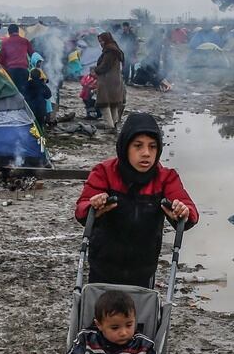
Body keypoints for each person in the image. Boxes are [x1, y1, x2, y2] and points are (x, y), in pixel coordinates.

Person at [74, 113, 198, 288]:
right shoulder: (104, 172)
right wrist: (93, 206)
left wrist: (183, 212)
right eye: (138, 146)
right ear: (125, 147)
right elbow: (82, 208)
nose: (146, 153)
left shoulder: (165, 178)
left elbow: (190, 212)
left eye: (152, 147)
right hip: (103, 267)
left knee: (141, 306)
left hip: (143, 271)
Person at [93, 32, 127, 129]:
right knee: (113, 103)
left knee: (104, 103)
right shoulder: (116, 49)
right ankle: (114, 123)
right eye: (99, 41)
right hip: (116, 80)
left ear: (106, 40)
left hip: (107, 81)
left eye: (102, 41)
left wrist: (96, 70)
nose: (101, 43)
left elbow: (105, 66)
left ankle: (109, 125)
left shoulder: (109, 51)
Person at [0, 24, 34, 95]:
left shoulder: (5, 42)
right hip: (23, 71)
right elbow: (32, 55)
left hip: (11, 71)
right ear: (18, 31)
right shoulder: (25, 41)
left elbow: (1, 60)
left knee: (13, 93)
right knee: (23, 93)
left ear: (9, 32)